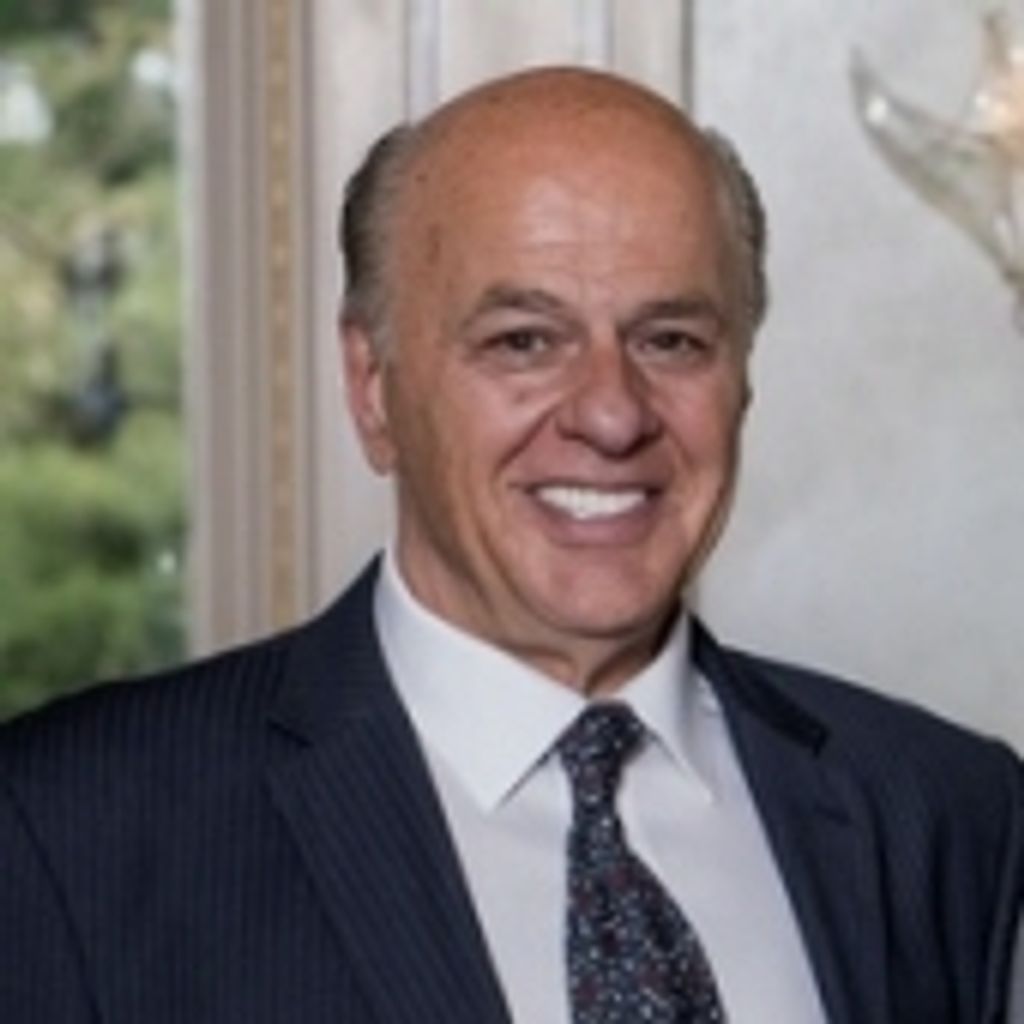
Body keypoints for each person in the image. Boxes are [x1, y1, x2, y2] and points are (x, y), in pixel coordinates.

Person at [1, 66, 1021, 1024]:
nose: (612, 415)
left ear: (742, 379)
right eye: (523, 341)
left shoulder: (946, 814)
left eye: (671, 340)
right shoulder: (68, 828)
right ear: (372, 387)